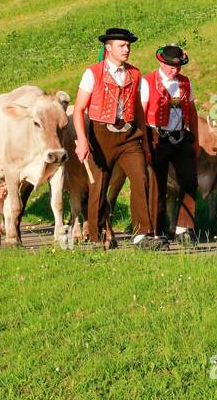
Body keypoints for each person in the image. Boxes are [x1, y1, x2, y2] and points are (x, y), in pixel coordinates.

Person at [73, 27, 158, 250]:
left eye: (128, 45)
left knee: (141, 178)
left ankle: (143, 234)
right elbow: (79, 109)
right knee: (98, 186)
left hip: (130, 135)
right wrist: (82, 141)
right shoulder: (93, 73)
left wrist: (146, 141)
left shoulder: (136, 73)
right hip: (100, 135)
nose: (127, 49)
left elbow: (139, 109)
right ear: (108, 48)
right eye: (122, 45)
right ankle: (96, 234)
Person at [142, 44, 201, 247]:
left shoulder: (185, 83)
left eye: (178, 67)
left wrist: (196, 140)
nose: (175, 71)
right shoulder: (148, 82)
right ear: (161, 62)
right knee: (157, 185)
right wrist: (145, 144)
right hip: (157, 136)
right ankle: (157, 232)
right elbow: (141, 114)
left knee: (189, 180)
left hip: (181, 136)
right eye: (170, 67)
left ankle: (184, 228)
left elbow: (192, 112)